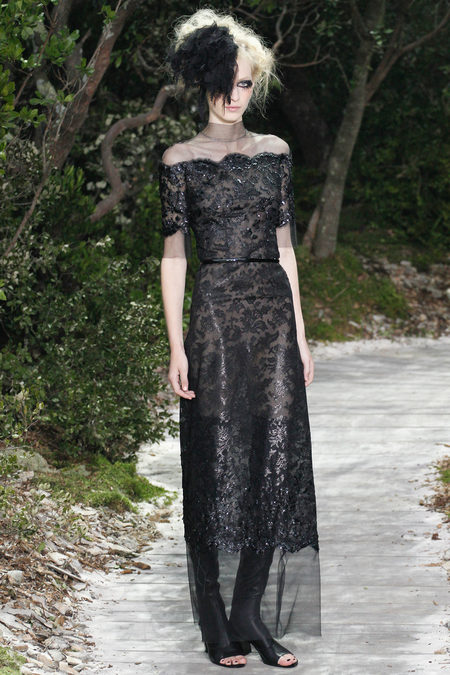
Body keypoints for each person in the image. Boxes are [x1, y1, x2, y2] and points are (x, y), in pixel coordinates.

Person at [159, 8, 321, 669]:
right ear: (204, 80)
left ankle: (250, 610)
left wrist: (301, 335)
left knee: (274, 459)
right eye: (226, 81)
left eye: (246, 83)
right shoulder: (179, 161)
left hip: (273, 319)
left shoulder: (275, 153)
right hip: (215, 318)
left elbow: (285, 248)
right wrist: (176, 345)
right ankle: (213, 618)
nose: (235, 94)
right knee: (212, 459)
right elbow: (174, 257)